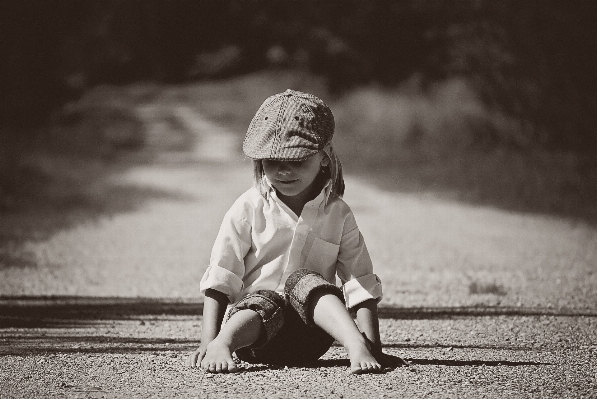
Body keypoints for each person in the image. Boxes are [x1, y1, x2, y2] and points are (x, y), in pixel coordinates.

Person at [188, 90, 405, 374]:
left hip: (312, 338)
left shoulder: (338, 213)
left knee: (304, 281)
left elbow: (359, 282)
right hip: (253, 338)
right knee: (267, 298)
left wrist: (374, 348)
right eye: (272, 161)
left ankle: (357, 345)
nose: (283, 171)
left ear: (324, 157)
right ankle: (223, 344)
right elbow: (221, 276)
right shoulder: (248, 207)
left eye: (297, 160)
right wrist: (209, 339)